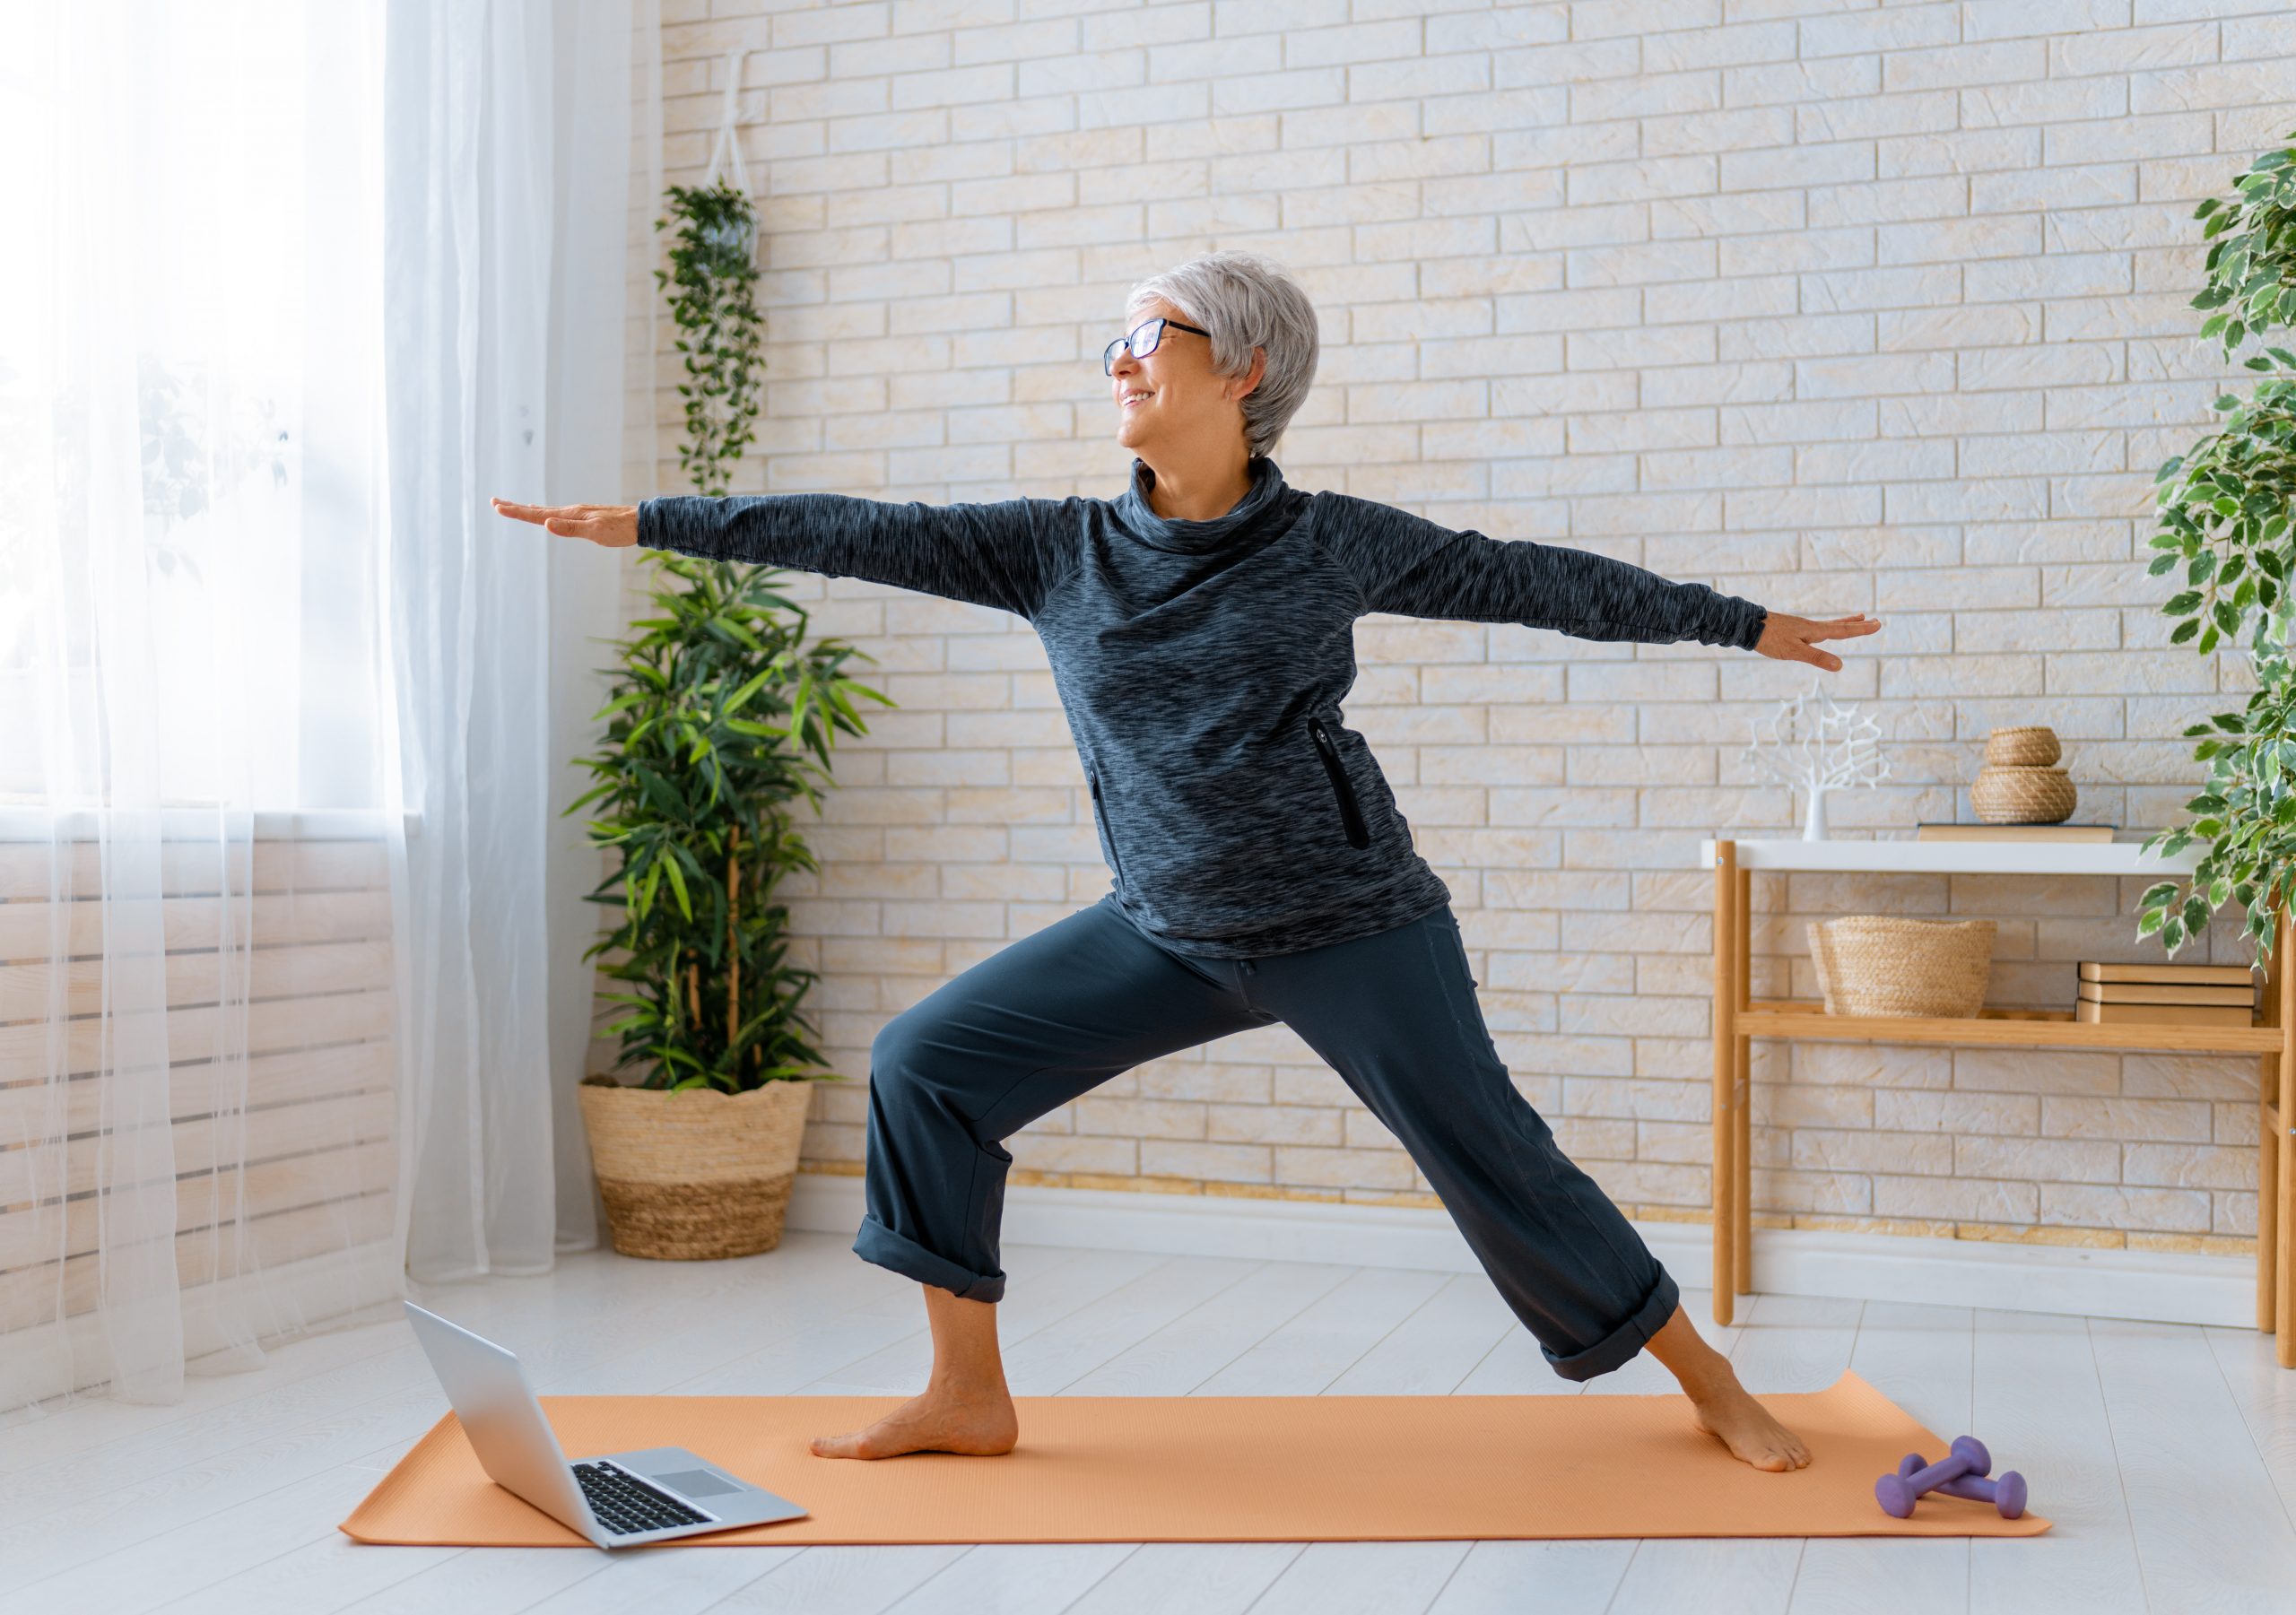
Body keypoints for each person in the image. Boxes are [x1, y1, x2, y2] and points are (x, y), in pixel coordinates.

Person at [495, 249, 1879, 1474]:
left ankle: (1713, 1385)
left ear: (1244, 369)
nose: (1119, 360)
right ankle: (966, 1397)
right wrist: (659, 520)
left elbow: (1536, 580)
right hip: (1163, 928)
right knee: (928, 1065)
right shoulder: (1057, 551)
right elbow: (867, 530)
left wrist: (1745, 623)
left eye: (1148, 336)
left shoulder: (1333, 543)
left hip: (1351, 922)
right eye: (1115, 341)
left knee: (1493, 1154)